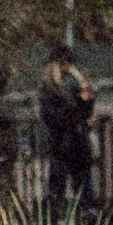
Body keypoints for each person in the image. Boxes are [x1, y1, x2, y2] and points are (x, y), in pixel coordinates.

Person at [37, 46, 97, 214]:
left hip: (76, 143)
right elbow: (53, 117)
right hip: (63, 144)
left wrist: (86, 99)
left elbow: (85, 113)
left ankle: (88, 219)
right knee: (60, 190)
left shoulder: (73, 84)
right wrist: (76, 103)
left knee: (83, 189)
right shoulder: (50, 88)